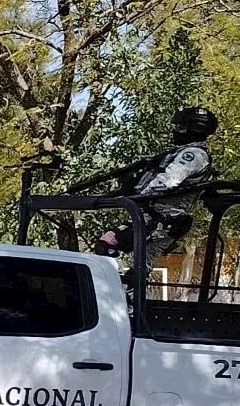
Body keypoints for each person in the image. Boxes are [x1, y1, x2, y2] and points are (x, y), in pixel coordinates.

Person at [93, 106, 219, 278]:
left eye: (180, 127)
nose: (175, 131)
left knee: (108, 244)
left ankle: (114, 289)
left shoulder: (193, 154)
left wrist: (136, 197)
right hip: (162, 220)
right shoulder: (184, 152)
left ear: (193, 129)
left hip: (163, 217)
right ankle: (128, 298)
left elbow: (168, 180)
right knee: (139, 269)